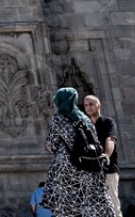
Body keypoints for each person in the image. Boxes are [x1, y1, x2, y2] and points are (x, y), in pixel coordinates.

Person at [41, 88, 116, 217]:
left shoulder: (59, 118)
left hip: (68, 168)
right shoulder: (85, 118)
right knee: (92, 201)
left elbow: (51, 145)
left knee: (68, 205)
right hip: (89, 165)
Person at [83, 95, 120, 214]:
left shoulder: (107, 122)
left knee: (112, 204)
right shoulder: (85, 126)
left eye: (91, 104)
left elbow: (110, 139)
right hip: (90, 172)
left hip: (107, 169)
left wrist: (106, 155)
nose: (88, 107)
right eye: (86, 105)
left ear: (99, 105)